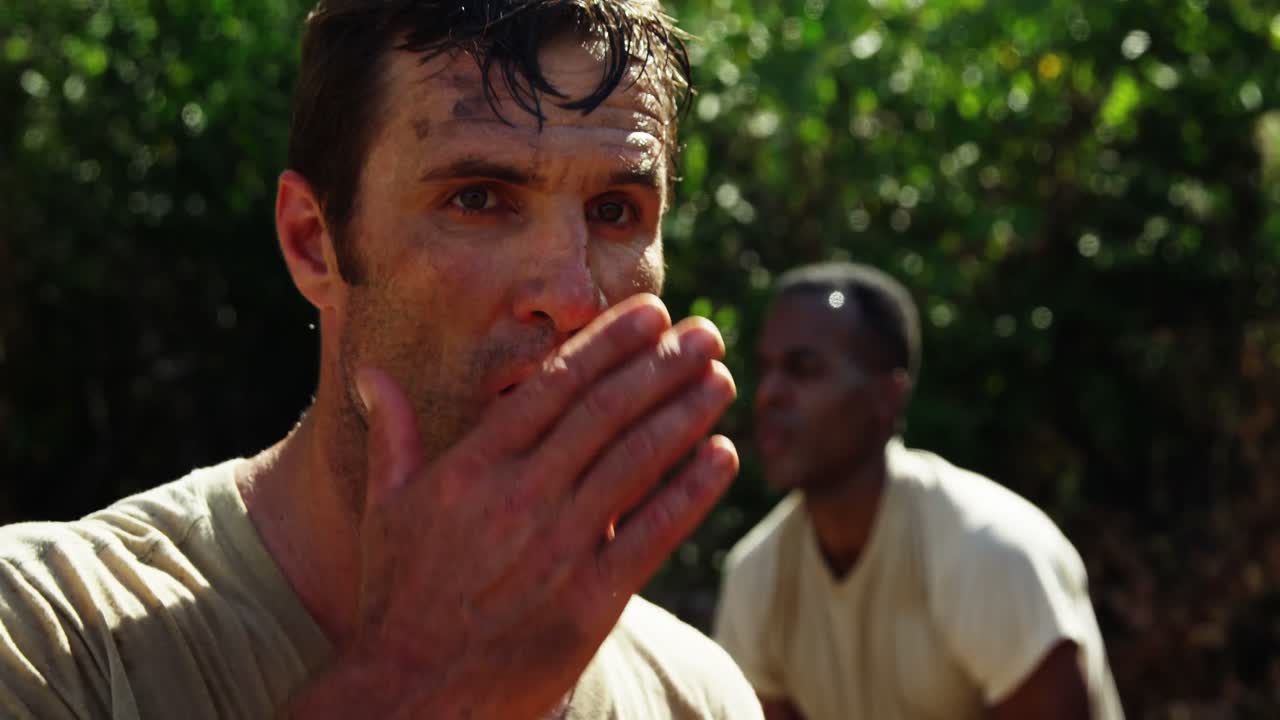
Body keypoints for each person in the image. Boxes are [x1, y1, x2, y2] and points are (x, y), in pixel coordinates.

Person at [0, 1, 764, 718]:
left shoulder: (694, 694)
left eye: (614, 212)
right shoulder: (52, 635)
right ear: (314, 242)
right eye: (478, 198)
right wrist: (406, 684)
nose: (571, 294)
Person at [713, 261, 1125, 720]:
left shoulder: (988, 552)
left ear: (887, 397)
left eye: (804, 368)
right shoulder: (756, 576)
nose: (769, 392)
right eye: (765, 369)